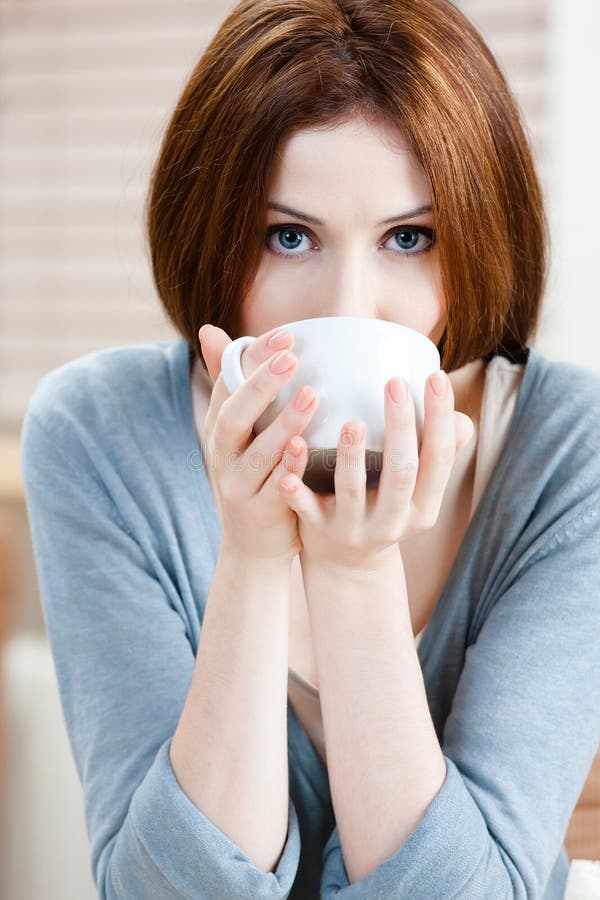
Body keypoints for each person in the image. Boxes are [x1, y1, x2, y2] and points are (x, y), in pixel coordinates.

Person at [19, 0, 600, 897]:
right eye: (289, 236)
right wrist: (253, 560)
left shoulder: (571, 452)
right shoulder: (98, 434)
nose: (349, 308)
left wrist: (353, 574)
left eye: (410, 238)